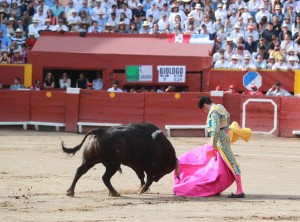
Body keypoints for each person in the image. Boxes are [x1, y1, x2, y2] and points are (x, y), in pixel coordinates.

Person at [198, 97, 246, 198]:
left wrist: (213, 144)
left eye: (203, 108)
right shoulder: (220, 107)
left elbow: (215, 130)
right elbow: (226, 120)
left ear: (205, 105)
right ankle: (216, 188)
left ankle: (240, 190)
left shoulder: (214, 111)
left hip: (219, 139)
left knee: (231, 162)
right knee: (219, 163)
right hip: (223, 136)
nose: (204, 111)